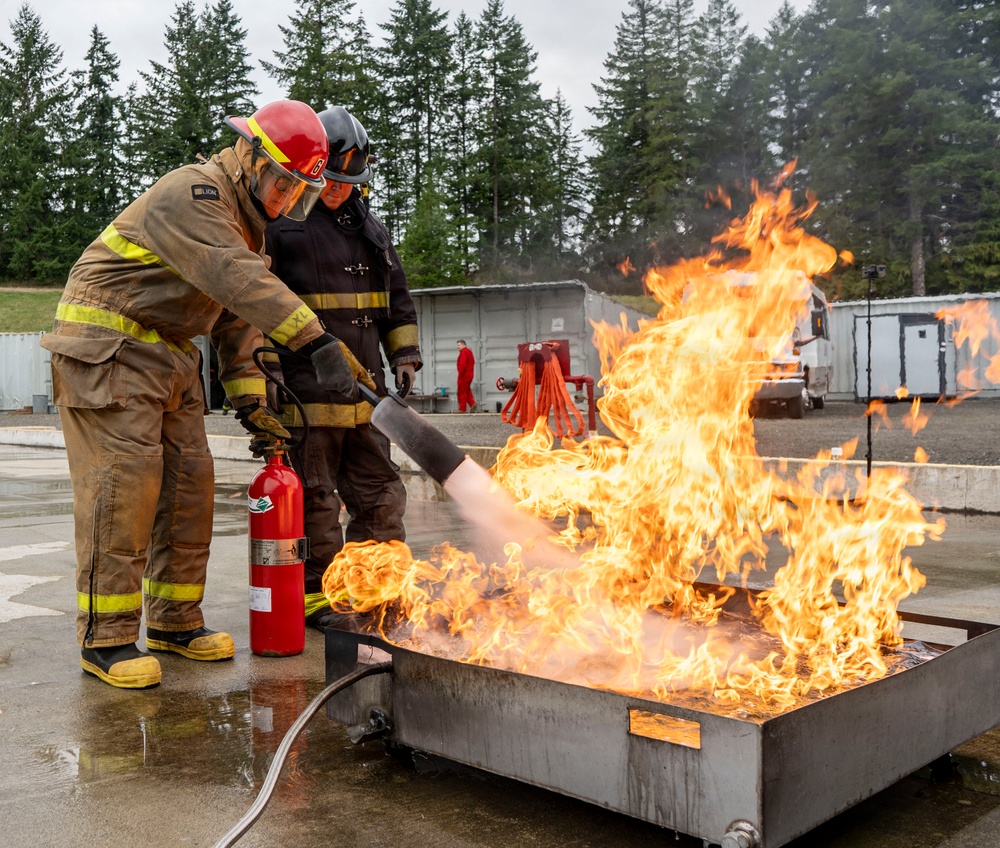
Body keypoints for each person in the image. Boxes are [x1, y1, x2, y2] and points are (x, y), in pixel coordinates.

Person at [42, 99, 370, 689]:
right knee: (125, 489)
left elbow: (235, 323)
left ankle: (174, 622)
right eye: (283, 186)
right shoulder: (193, 195)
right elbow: (235, 278)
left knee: (189, 488)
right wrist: (316, 341)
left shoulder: (248, 227)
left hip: (168, 357)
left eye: (299, 193)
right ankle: (106, 638)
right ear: (249, 156)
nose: (287, 203)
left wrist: (253, 405)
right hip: (108, 347)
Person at [262, 106, 422, 631]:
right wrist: (267, 383)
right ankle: (318, 599)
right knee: (316, 501)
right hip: (306, 394)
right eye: (330, 179)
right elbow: (258, 306)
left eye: (348, 183)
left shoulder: (371, 230)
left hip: (366, 396)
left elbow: (397, 301)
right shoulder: (282, 228)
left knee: (381, 494)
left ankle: (375, 591)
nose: (336, 190)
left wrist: (403, 356)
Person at [456, 339, 476, 413]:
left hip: (464, 375)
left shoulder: (464, 352)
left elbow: (462, 364)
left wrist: (460, 374)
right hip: (470, 374)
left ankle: (462, 408)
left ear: (463, 345)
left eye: (459, 345)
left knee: (462, 391)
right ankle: (472, 403)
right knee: (466, 390)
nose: (457, 347)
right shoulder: (469, 352)